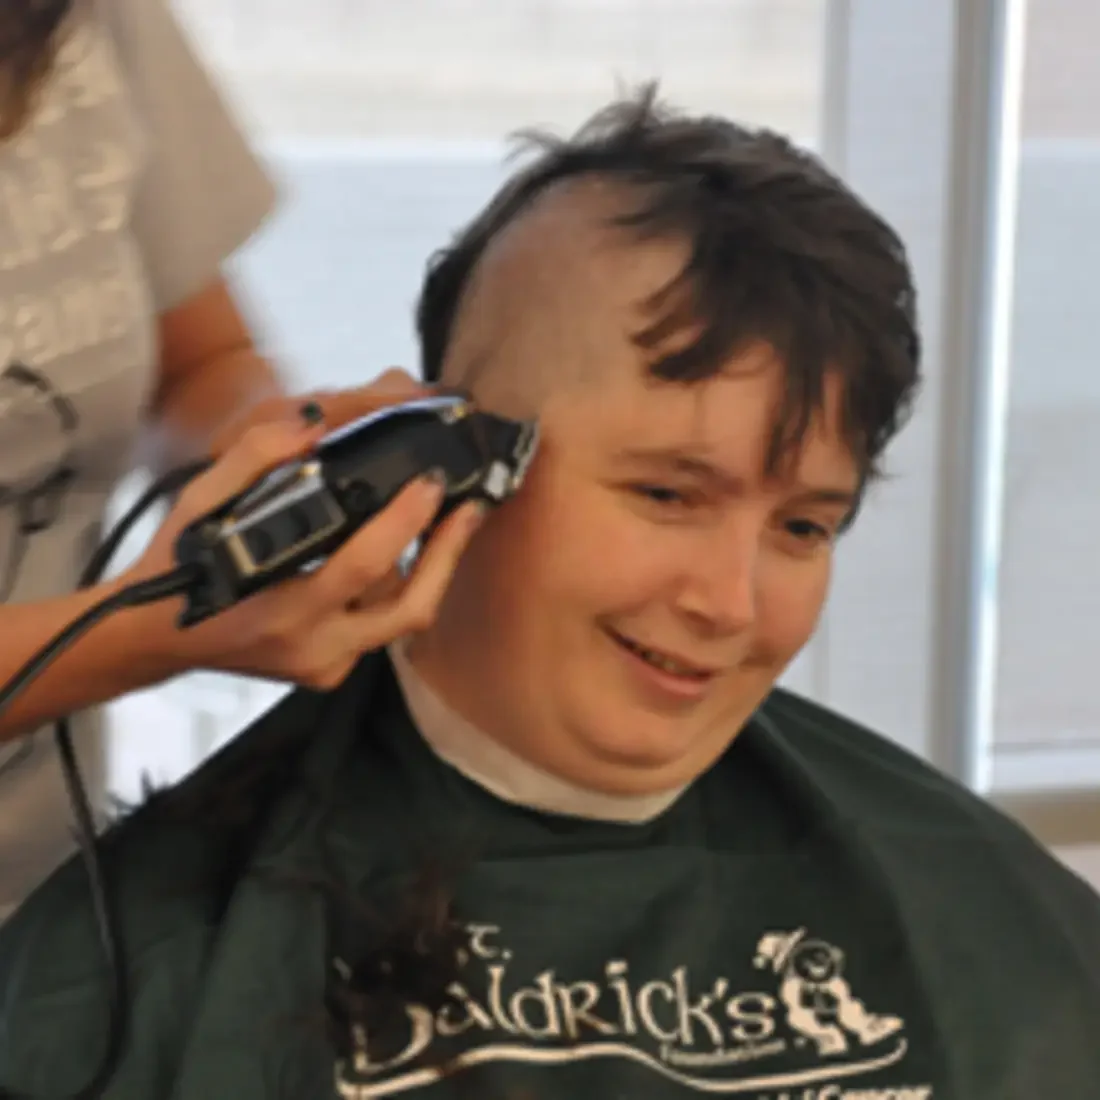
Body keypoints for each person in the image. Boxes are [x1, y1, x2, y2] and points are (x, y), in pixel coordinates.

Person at [1, 87, 1099, 1100]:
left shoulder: (995, 918)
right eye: (667, 493)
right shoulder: (148, 971)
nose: (730, 604)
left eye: (803, 526)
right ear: (455, 469)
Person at [0, 0, 484, 915]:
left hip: (46, 890)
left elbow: (199, 364)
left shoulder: (86, 19)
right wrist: (149, 631)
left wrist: (276, 470)